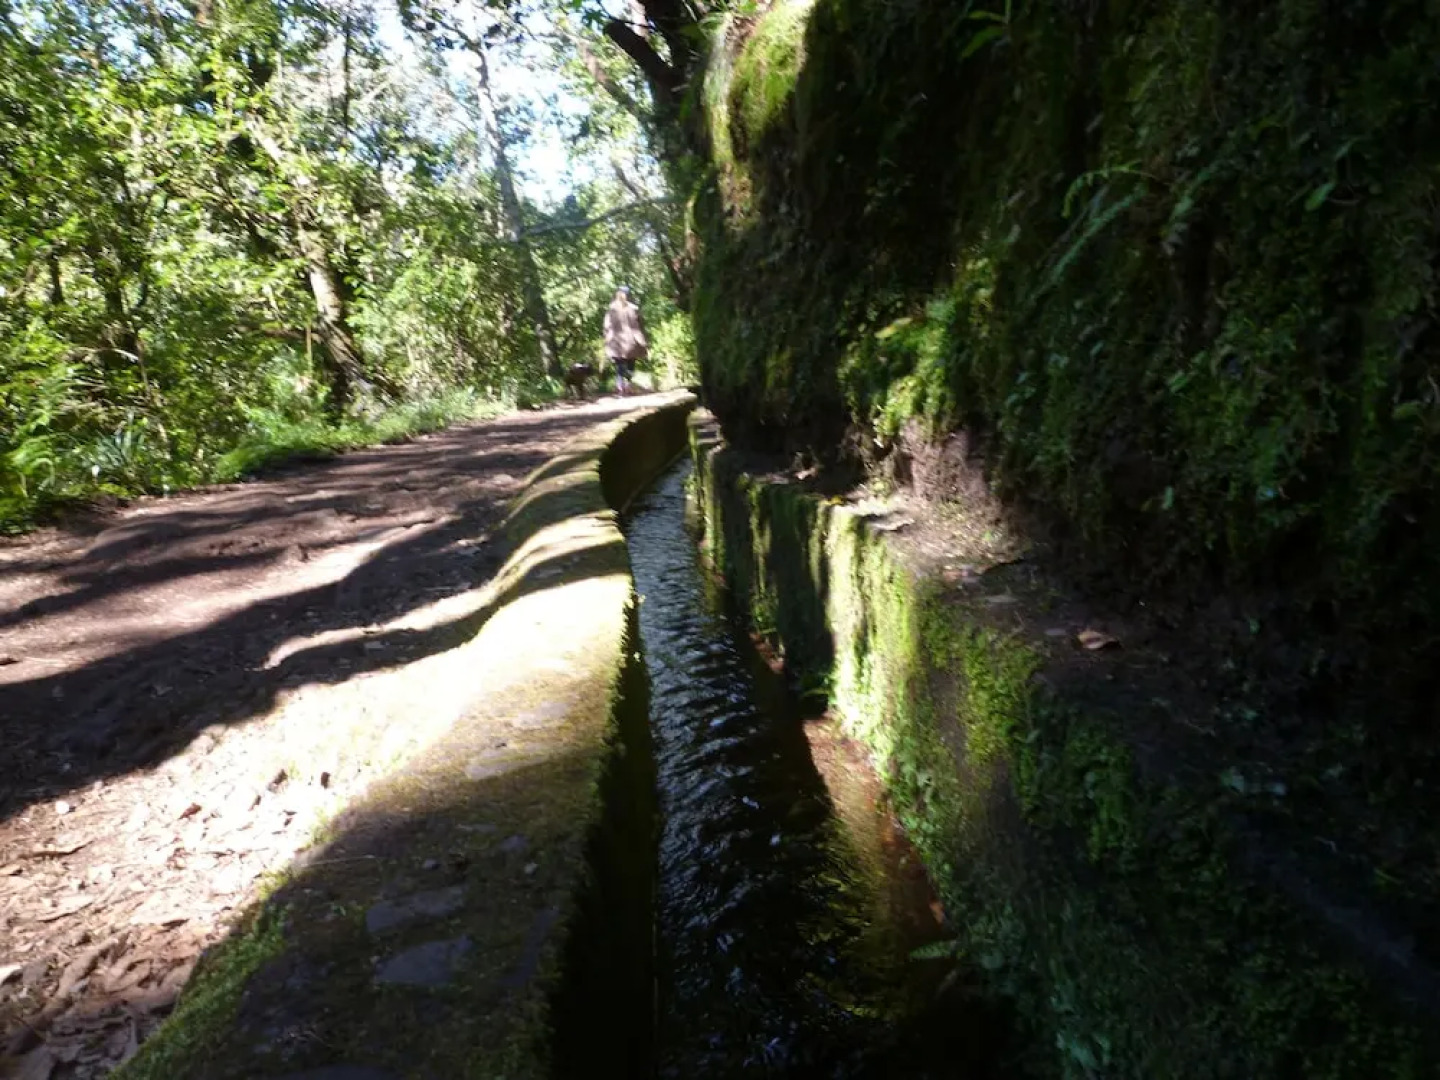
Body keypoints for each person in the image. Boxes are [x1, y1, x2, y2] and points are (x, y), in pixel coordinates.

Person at [602, 285, 648, 397]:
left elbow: (606, 326)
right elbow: (640, 325)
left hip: (616, 342)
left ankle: (620, 388)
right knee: (631, 364)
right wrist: (643, 340)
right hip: (631, 341)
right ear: (628, 295)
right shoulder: (634, 309)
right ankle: (628, 385)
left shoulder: (611, 309)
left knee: (619, 366)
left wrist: (606, 338)